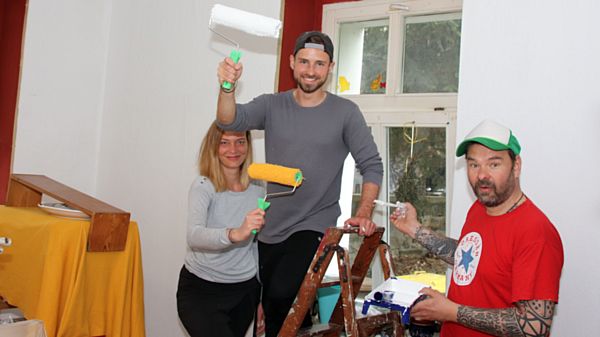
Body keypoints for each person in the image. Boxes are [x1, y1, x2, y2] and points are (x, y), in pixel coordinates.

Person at [216, 31, 384, 336]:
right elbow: (229, 121)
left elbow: (372, 165)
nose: (311, 70)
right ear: (292, 62)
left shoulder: (345, 113)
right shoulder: (271, 105)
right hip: (271, 226)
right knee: (278, 306)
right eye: (304, 61)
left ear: (331, 67)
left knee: (282, 293)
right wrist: (227, 85)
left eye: (319, 64)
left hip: (314, 224)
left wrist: (364, 212)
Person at [391, 120, 564, 337]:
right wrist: (415, 229)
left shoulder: (536, 233)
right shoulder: (479, 208)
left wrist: (452, 312)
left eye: (493, 164)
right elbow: (471, 258)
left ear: (516, 166)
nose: (482, 175)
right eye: (474, 164)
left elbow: (533, 326)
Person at [176, 121, 266, 337]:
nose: (233, 150)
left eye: (240, 142)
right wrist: (235, 233)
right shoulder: (203, 186)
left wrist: (262, 298)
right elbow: (194, 235)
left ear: (248, 146)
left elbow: (256, 246)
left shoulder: (259, 189)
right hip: (201, 292)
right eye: (224, 142)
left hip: (244, 293)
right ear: (213, 146)